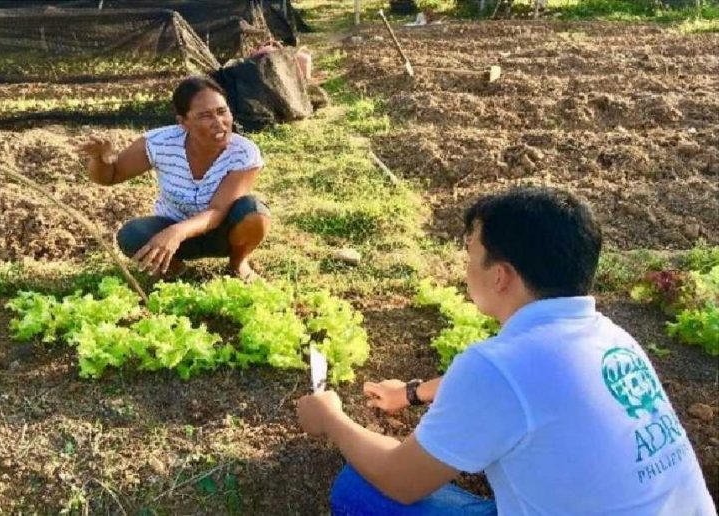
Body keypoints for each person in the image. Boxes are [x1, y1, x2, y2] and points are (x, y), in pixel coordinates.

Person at [297, 186, 716, 515]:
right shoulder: (612, 338)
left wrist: (332, 418)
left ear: (500, 276)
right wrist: (411, 393)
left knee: (360, 489)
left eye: (470, 255)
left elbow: (400, 482)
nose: (465, 267)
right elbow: (526, 390)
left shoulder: (495, 366)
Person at [78, 76, 270, 281]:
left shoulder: (244, 153)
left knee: (254, 212)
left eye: (222, 111)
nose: (219, 123)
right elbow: (111, 176)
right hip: (171, 230)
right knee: (132, 235)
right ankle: (176, 268)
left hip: (222, 232)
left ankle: (237, 263)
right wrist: (99, 159)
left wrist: (177, 232)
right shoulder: (159, 143)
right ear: (183, 122)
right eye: (205, 116)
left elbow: (218, 210)